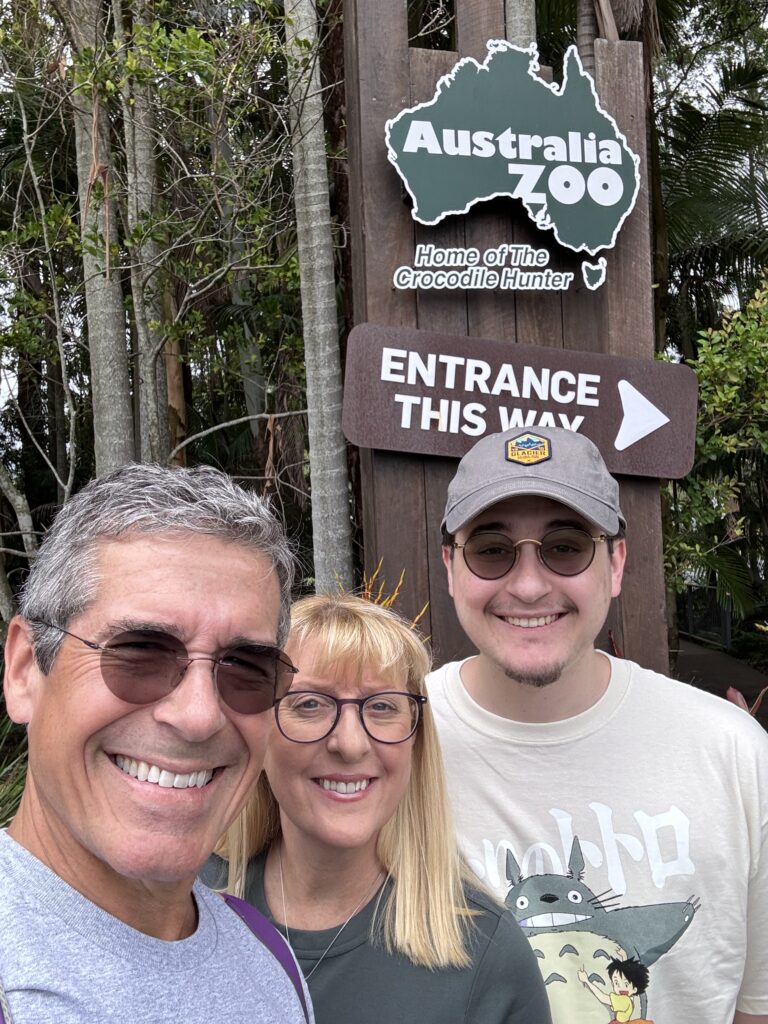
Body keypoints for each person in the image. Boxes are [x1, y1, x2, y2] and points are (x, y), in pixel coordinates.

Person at [427, 426, 768, 1024]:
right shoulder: (390, 741)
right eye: (491, 549)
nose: (529, 586)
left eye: (564, 547)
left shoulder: (734, 753)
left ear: (614, 563)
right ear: (453, 567)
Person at [0, 464, 313, 1024]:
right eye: (140, 651)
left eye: (245, 667)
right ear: (25, 671)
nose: (198, 716)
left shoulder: (268, 959)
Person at [206, 593, 552, 1024]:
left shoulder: (485, 952)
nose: (350, 744)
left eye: (382, 706)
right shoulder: (186, 906)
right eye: (310, 704)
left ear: (415, 739)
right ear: (260, 732)